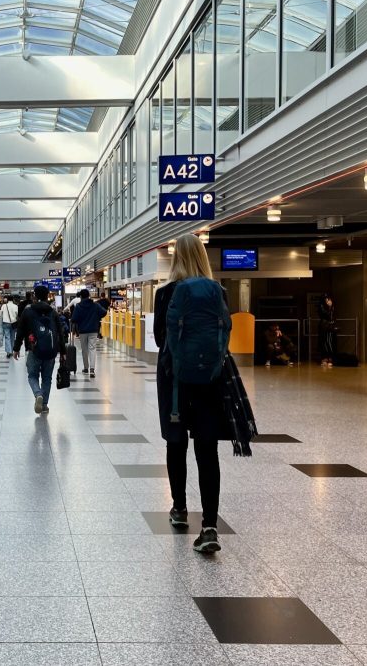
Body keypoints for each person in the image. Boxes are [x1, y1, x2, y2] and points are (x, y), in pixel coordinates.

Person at [153, 234, 226, 554]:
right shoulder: (219, 291)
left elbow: (159, 339)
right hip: (211, 379)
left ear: (175, 258)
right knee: (207, 450)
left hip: (175, 380)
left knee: (176, 442)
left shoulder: (165, 293)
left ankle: (180, 509)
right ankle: (209, 525)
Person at [13, 285, 66, 414]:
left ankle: (38, 395)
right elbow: (60, 332)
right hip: (50, 351)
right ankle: (44, 405)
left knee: (32, 376)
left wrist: (16, 348)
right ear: (48, 296)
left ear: (35, 296)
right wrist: (63, 351)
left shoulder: (28, 311)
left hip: (33, 349)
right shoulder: (53, 312)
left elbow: (20, 331)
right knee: (47, 378)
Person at [70, 289, 107, 379]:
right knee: (92, 349)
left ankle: (86, 368)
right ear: (89, 295)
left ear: (81, 297)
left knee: (84, 349)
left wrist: (79, 321)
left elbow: (74, 318)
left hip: (82, 331)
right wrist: (96, 317)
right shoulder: (95, 305)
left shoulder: (78, 306)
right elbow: (104, 312)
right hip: (93, 330)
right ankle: (92, 369)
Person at [317, 293, 336, 367]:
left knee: (329, 341)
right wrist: (330, 307)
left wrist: (330, 307)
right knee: (324, 341)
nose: (328, 300)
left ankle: (330, 358)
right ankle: (325, 358)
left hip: (328, 325)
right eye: (326, 299)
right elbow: (326, 315)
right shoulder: (321, 306)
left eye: (328, 298)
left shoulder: (330, 306)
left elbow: (331, 316)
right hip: (324, 325)